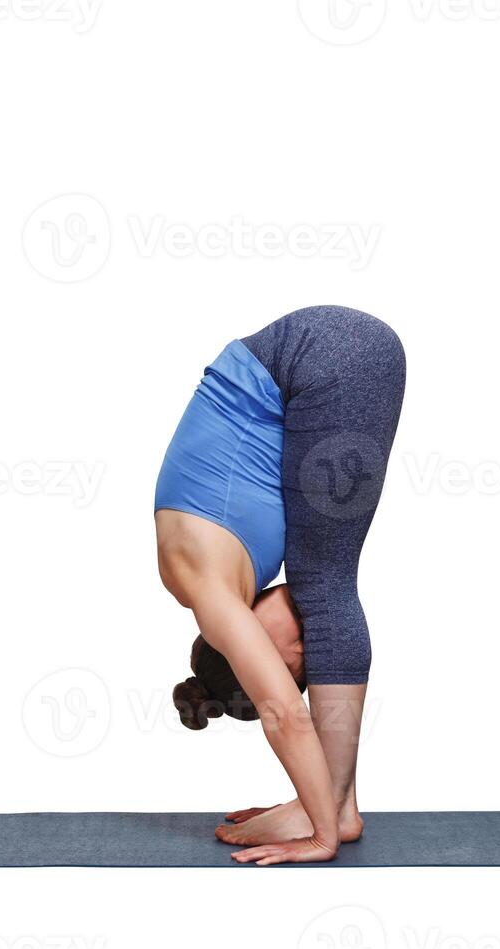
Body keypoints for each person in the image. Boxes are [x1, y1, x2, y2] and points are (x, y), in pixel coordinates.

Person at [155, 305, 405, 864]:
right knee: (324, 581)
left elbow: (285, 716)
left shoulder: (212, 594)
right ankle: (338, 804)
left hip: (321, 354)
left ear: (253, 652)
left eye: (298, 655)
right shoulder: (238, 572)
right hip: (329, 358)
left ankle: (330, 812)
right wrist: (319, 801)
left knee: (325, 585)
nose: (307, 644)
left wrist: (318, 835)